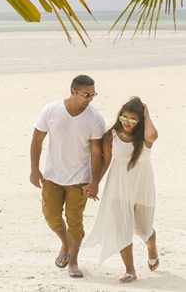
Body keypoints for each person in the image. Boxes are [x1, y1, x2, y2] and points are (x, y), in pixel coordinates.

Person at [30, 75, 105, 278]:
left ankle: (73, 261)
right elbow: (37, 139)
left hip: (79, 180)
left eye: (93, 94)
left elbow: (97, 152)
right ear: (73, 91)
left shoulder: (95, 119)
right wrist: (34, 169)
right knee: (51, 217)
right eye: (86, 94)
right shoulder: (51, 110)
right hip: (53, 177)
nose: (90, 99)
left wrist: (94, 181)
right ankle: (66, 243)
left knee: (75, 221)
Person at [83, 97, 159, 283]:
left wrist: (146, 113)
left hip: (142, 185)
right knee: (122, 228)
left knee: (143, 227)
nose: (127, 123)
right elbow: (106, 162)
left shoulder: (144, 137)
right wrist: (95, 183)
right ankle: (130, 270)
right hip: (118, 185)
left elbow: (153, 135)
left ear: (140, 121)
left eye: (133, 120)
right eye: (124, 118)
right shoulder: (112, 135)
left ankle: (152, 247)